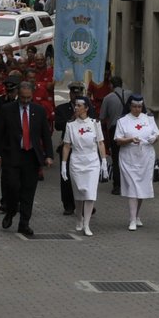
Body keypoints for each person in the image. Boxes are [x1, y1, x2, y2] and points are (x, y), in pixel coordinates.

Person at [0, 79, 53, 236]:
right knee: (12, 187)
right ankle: (11, 211)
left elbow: (45, 134)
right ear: (18, 95)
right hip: (12, 155)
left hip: (31, 156)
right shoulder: (7, 110)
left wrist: (49, 155)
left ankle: (24, 223)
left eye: (28, 98)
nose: (25, 101)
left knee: (28, 191)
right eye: (23, 97)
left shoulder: (38, 111)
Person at [111, 93, 159, 230]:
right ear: (129, 106)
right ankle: (132, 219)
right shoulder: (123, 121)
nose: (137, 109)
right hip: (129, 158)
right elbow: (118, 140)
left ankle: (137, 215)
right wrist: (130, 140)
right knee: (133, 187)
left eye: (140, 106)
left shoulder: (149, 119)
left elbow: (156, 135)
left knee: (142, 188)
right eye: (134, 106)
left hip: (146, 157)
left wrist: (153, 139)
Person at [61, 96, 107, 236]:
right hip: (76, 161)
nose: (76, 107)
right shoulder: (70, 125)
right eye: (75, 105)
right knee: (79, 192)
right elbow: (67, 146)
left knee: (90, 193)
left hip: (92, 161)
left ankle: (87, 224)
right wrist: (63, 164)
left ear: (86, 108)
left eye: (80, 105)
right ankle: (79, 218)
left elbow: (100, 142)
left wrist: (104, 161)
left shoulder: (94, 123)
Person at [52, 82, 81, 216]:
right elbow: (58, 125)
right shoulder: (62, 109)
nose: (76, 96)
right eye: (74, 94)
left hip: (83, 147)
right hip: (67, 146)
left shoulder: (87, 108)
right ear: (70, 94)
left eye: (79, 93)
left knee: (83, 176)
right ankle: (68, 205)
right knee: (66, 177)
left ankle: (85, 203)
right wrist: (72, 119)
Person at [98, 75, 126, 194]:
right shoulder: (129, 94)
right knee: (128, 157)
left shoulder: (108, 98)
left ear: (111, 85)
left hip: (115, 129)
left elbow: (102, 117)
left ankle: (117, 185)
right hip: (130, 128)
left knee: (116, 157)